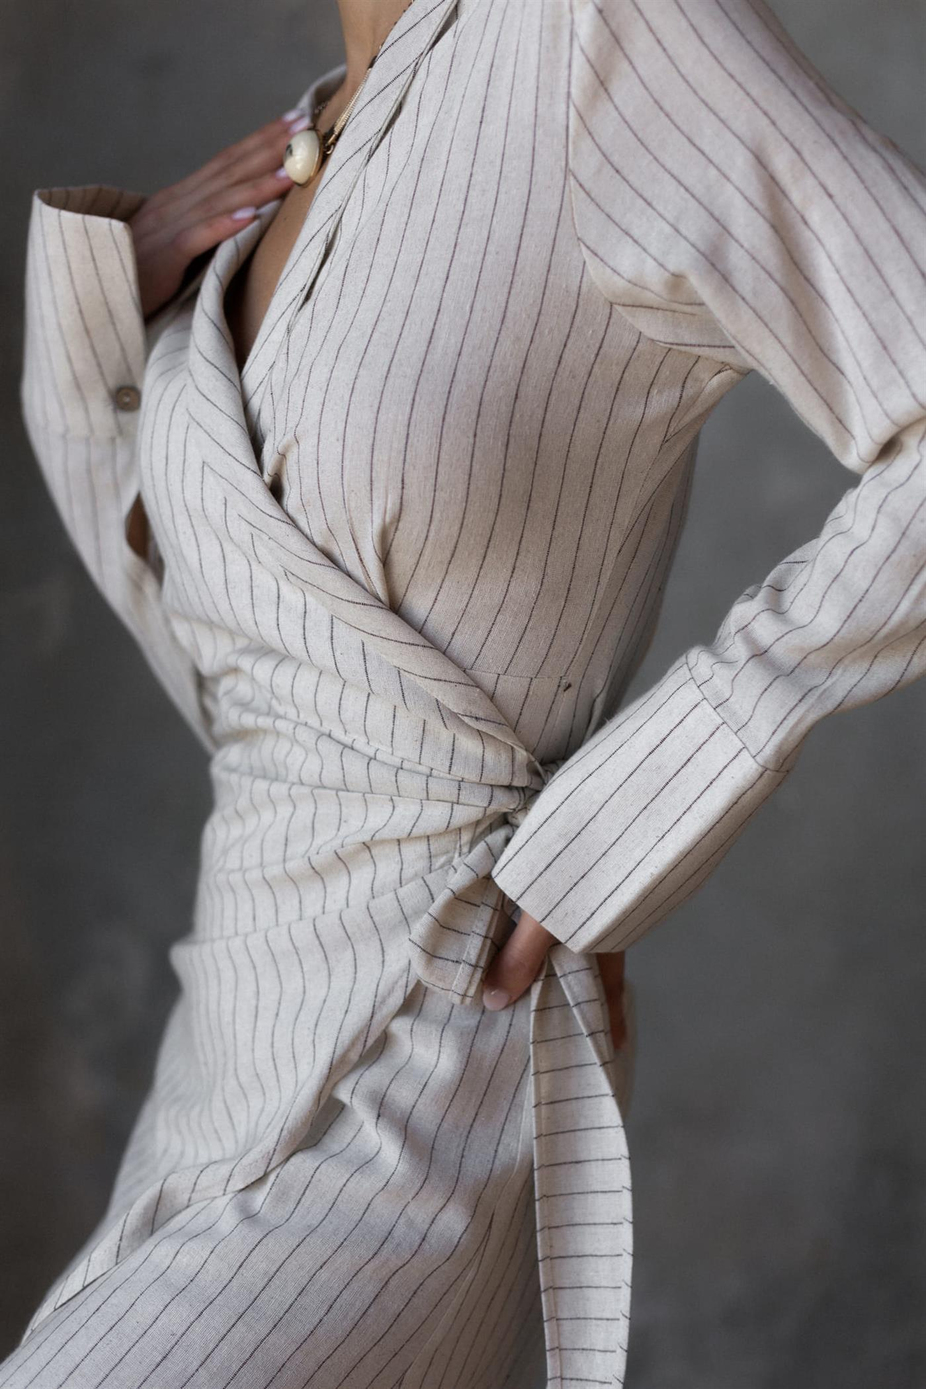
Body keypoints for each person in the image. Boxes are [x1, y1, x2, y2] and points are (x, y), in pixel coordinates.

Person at [4, 0, 923, 1385]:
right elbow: (225, 652)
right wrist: (101, 301)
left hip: (438, 1045)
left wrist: (633, 811)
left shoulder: (606, 38)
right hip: (220, 1058)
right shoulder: (314, 135)